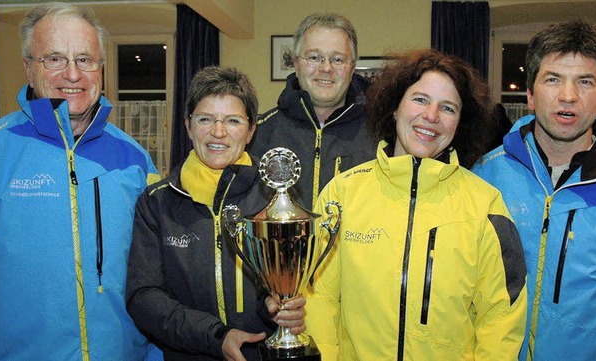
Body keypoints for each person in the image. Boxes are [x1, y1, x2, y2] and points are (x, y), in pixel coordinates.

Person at [305, 49, 527, 360]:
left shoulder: (485, 203)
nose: (431, 116)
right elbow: (318, 296)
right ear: (395, 107)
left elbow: (502, 317)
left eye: (448, 108)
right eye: (420, 100)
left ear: (460, 123)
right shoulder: (342, 193)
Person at [0, 2, 162, 360]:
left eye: (85, 59)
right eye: (54, 58)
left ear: (101, 68)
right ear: (27, 67)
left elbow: (156, 276)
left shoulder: (136, 160)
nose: (73, 74)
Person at [473, 20, 596, 361]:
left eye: (585, 82)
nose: (568, 96)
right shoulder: (485, 176)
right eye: (553, 79)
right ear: (530, 95)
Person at [126, 66, 306, 361]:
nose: (218, 132)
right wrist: (215, 336)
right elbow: (144, 297)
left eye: (233, 121)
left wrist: (275, 307)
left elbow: (283, 281)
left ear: (250, 131)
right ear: (188, 126)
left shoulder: (277, 198)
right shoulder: (157, 203)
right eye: (206, 119)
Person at [247, 12, 376, 211]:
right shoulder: (258, 135)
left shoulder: (381, 135)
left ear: (352, 68)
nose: (326, 68)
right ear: (297, 65)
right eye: (314, 57)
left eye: (338, 59)